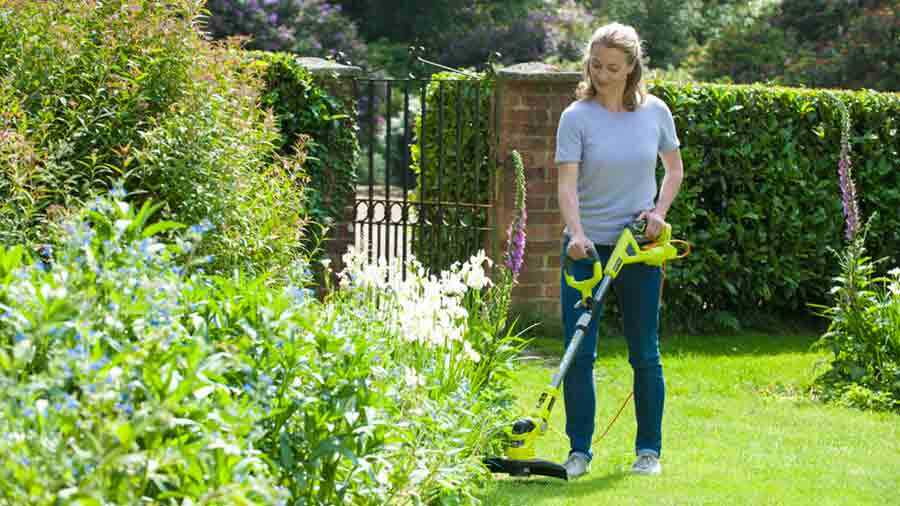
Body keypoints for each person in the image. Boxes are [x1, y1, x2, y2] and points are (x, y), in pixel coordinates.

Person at [554, 22, 685, 478]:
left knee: (644, 351)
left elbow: (673, 170)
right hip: (585, 251)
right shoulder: (576, 117)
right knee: (579, 352)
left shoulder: (655, 113)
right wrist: (576, 234)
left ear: (632, 68)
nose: (603, 75)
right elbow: (567, 185)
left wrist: (659, 212)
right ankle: (579, 452)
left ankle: (649, 450)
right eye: (596, 65)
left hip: (638, 248)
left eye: (613, 67)